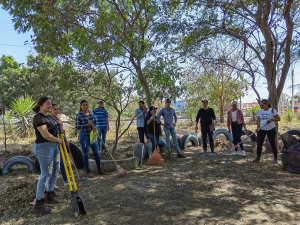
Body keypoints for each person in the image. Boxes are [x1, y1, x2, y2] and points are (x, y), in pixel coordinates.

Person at [32, 97, 62, 214]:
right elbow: (45, 134)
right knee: (45, 174)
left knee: (56, 170)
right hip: (44, 148)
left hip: (54, 147)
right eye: (48, 103)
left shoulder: (49, 116)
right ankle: (38, 202)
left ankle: (49, 193)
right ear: (40, 104)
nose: (50, 105)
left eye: (51, 103)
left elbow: (56, 128)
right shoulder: (38, 117)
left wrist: (60, 125)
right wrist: (58, 140)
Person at [75, 100, 108, 178]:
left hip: (92, 135)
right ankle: (88, 171)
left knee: (97, 152)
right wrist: (86, 125)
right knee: (86, 153)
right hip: (84, 136)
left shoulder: (92, 114)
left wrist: (95, 127)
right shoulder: (79, 115)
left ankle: (100, 169)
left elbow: (95, 123)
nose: (85, 106)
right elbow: (77, 127)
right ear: (81, 106)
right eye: (84, 105)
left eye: (86, 104)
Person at [50, 104, 72, 186]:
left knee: (62, 161)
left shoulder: (58, 120)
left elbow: (61, 132)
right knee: (51, 164)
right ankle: (51, 182)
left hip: (59, 143)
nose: (57, 111)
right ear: (50, 110)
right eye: (54, 109)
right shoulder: (47, 120)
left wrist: (65, 141)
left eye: (58, 109)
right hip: (51, 144)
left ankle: (66, 180)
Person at [253, 99, 281, 163]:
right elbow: (258, 120)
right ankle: (258, 158)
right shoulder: (260, 111)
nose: (261, 106)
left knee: (272, 144)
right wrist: (258, 128)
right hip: (262, 129)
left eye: (262, 105)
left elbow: (278, 119)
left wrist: (271, 120)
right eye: (261, 105)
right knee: (259, 143)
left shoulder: (272, 111)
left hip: (271, 129)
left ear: (266, 104)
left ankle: (275, 158)